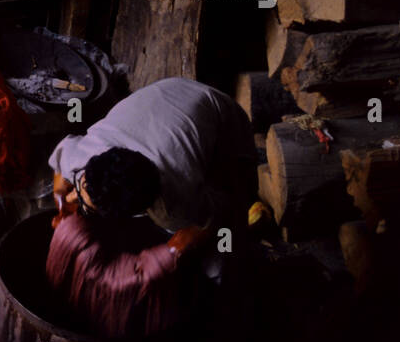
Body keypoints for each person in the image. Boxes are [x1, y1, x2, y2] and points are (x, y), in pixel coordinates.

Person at [49, 77, 256, 243]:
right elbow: (62, 162)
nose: (73, 196)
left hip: (218, 112)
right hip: (171, 88)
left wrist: (175, 251)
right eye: (79, 185)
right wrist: (61, 199)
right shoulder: (88, 155)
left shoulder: (173, 208)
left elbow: (216, 216)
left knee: (235, 205)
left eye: (86, 207)